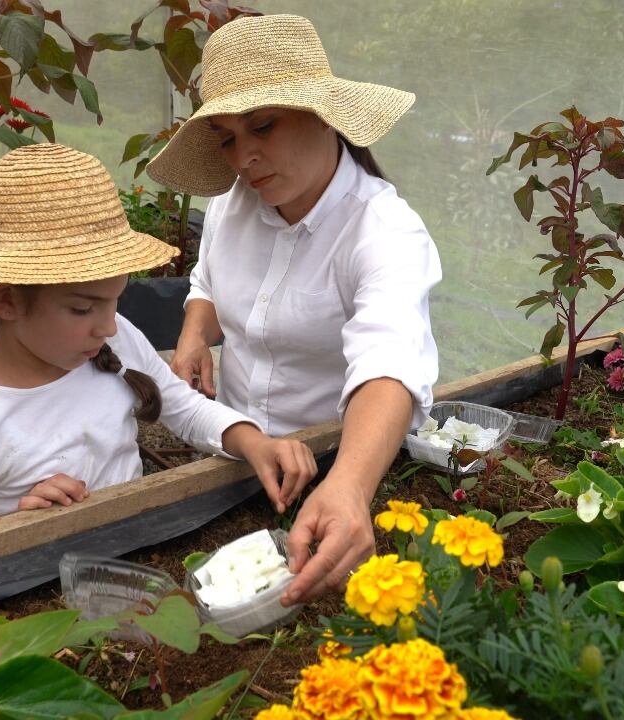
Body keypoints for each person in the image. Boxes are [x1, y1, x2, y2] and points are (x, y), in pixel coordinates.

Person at [146, 14, 442, 605]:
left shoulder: (383, 231)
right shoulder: (236, 206)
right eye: (228, 138)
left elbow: (389, 361)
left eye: (263, 126)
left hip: (335, 469)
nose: (243, 156)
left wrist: (350, 487)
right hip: (232, 458)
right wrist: (194, 334)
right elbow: (208, 276)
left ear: (325, 115)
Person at [0, 143, 317, 547]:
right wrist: (13, 531)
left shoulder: (114, 339)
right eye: (82, 309)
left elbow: (183, 408)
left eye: (115, 302)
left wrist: (254, 442)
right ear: (4, 299)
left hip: (140, 555)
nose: (109, 327)